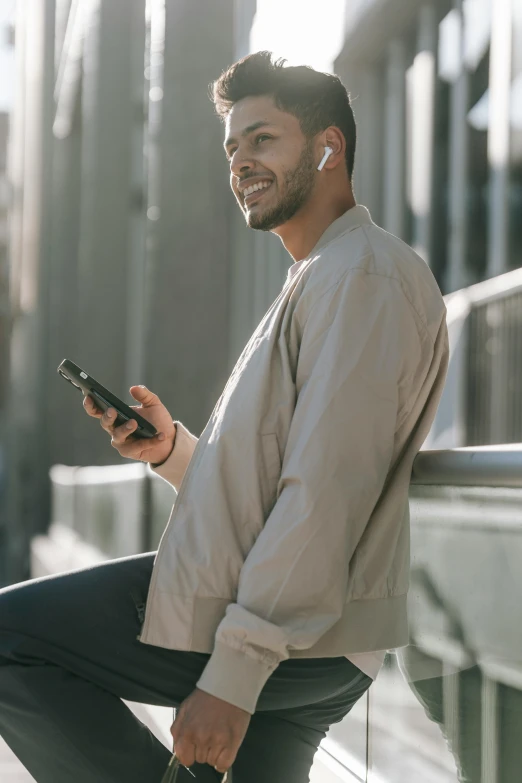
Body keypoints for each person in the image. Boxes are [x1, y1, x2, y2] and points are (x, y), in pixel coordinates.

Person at [0, 51, 449, 782]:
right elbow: (275, 478)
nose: (239, 161)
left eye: (263, 139)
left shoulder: (362, 277)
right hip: (302, 633)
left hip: (286, 631)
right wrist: (172, 450)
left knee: (10, 636)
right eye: (232, 146)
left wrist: (233, 674)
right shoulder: (322, 277)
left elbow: (325, 492)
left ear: (329, 147)